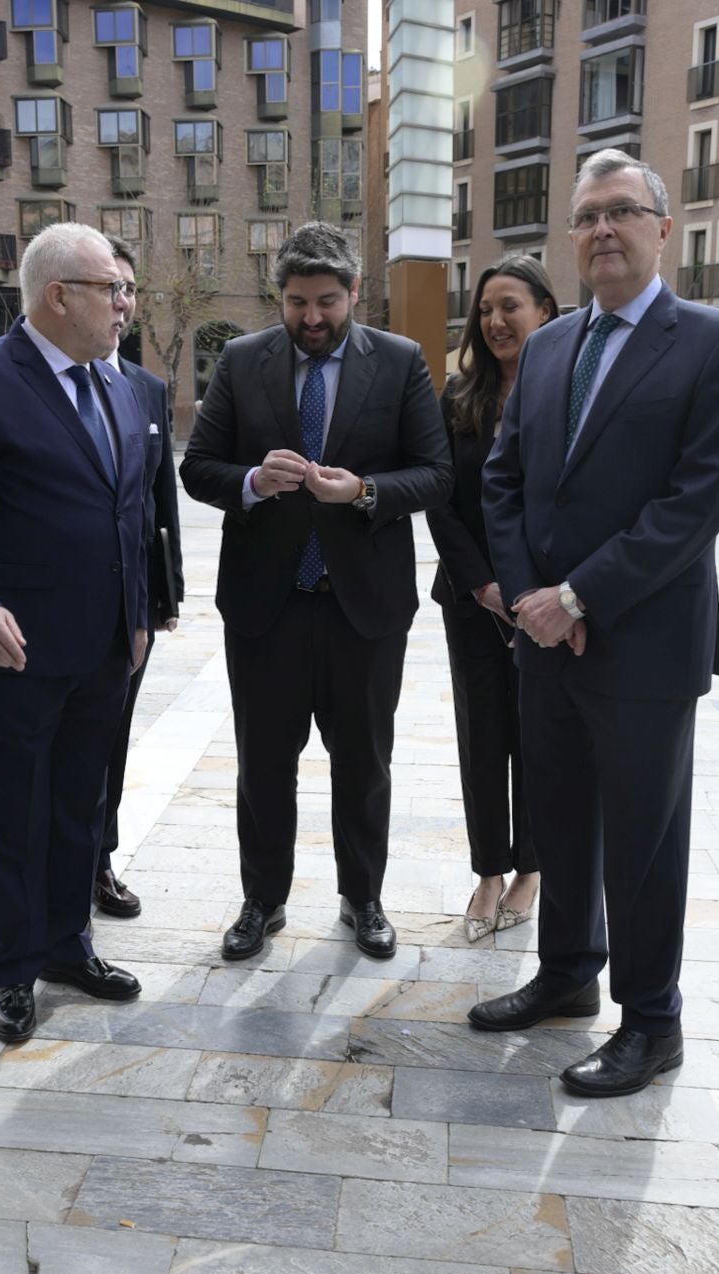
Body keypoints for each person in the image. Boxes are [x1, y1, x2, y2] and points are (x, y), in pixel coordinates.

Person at [473, 149, 719, 1101]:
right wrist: (530, 601)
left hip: (642, 644)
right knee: (558, 820)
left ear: (662, 228)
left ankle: (652, 1022)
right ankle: (566, 978)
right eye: (587, 215)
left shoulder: (717, 343)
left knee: (643, 841)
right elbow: (504, 480)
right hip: (544, 640)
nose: (603, 229)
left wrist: (580, 597)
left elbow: (694, 502)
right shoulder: (550, 345)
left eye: (623, 212)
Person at [180, 222, 451, 962]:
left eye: (328, 301)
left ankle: (363, 897)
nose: (312, 318)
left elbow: (435, 472)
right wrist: (251, 483)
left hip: (363, 608)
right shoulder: (240, 360)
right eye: (298, 302)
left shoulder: (400, 363)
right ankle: (262, 900)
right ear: (281, 297)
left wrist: (363, 490)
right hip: (266, 609)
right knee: (262, 762)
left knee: (363, 763)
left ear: (355, 293)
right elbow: (197, 466)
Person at [0, 221, 153, 1043]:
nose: (125, 304)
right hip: (9, 651)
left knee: (81, 808)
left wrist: (142, 615)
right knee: (14, 815)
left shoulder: (118, 385)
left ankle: (66, 947)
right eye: (111, 290)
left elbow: (134, 513)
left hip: (100, 648)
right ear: (60, 296)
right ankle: (13, 970)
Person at [428, 255, 558, 943]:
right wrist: (482, 585)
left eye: (510, 305)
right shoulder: (459, 396)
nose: (496, 320)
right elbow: (441, 503)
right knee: (481, 736)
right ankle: (488, 870)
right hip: (471, 599)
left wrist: (539, 593)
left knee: (537, 734)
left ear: (545, 310)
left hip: (549, 604)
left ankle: (531, 868)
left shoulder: (568, 391)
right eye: (485, 309)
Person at [93, 235, 186, 919]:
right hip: (59, 611)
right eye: (111, 288)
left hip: (130, 608)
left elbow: (160, 501)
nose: (121, 302)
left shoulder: (147, 388)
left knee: (113, 739)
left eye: (128, 289)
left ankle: (99, 859)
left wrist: (165, 597)